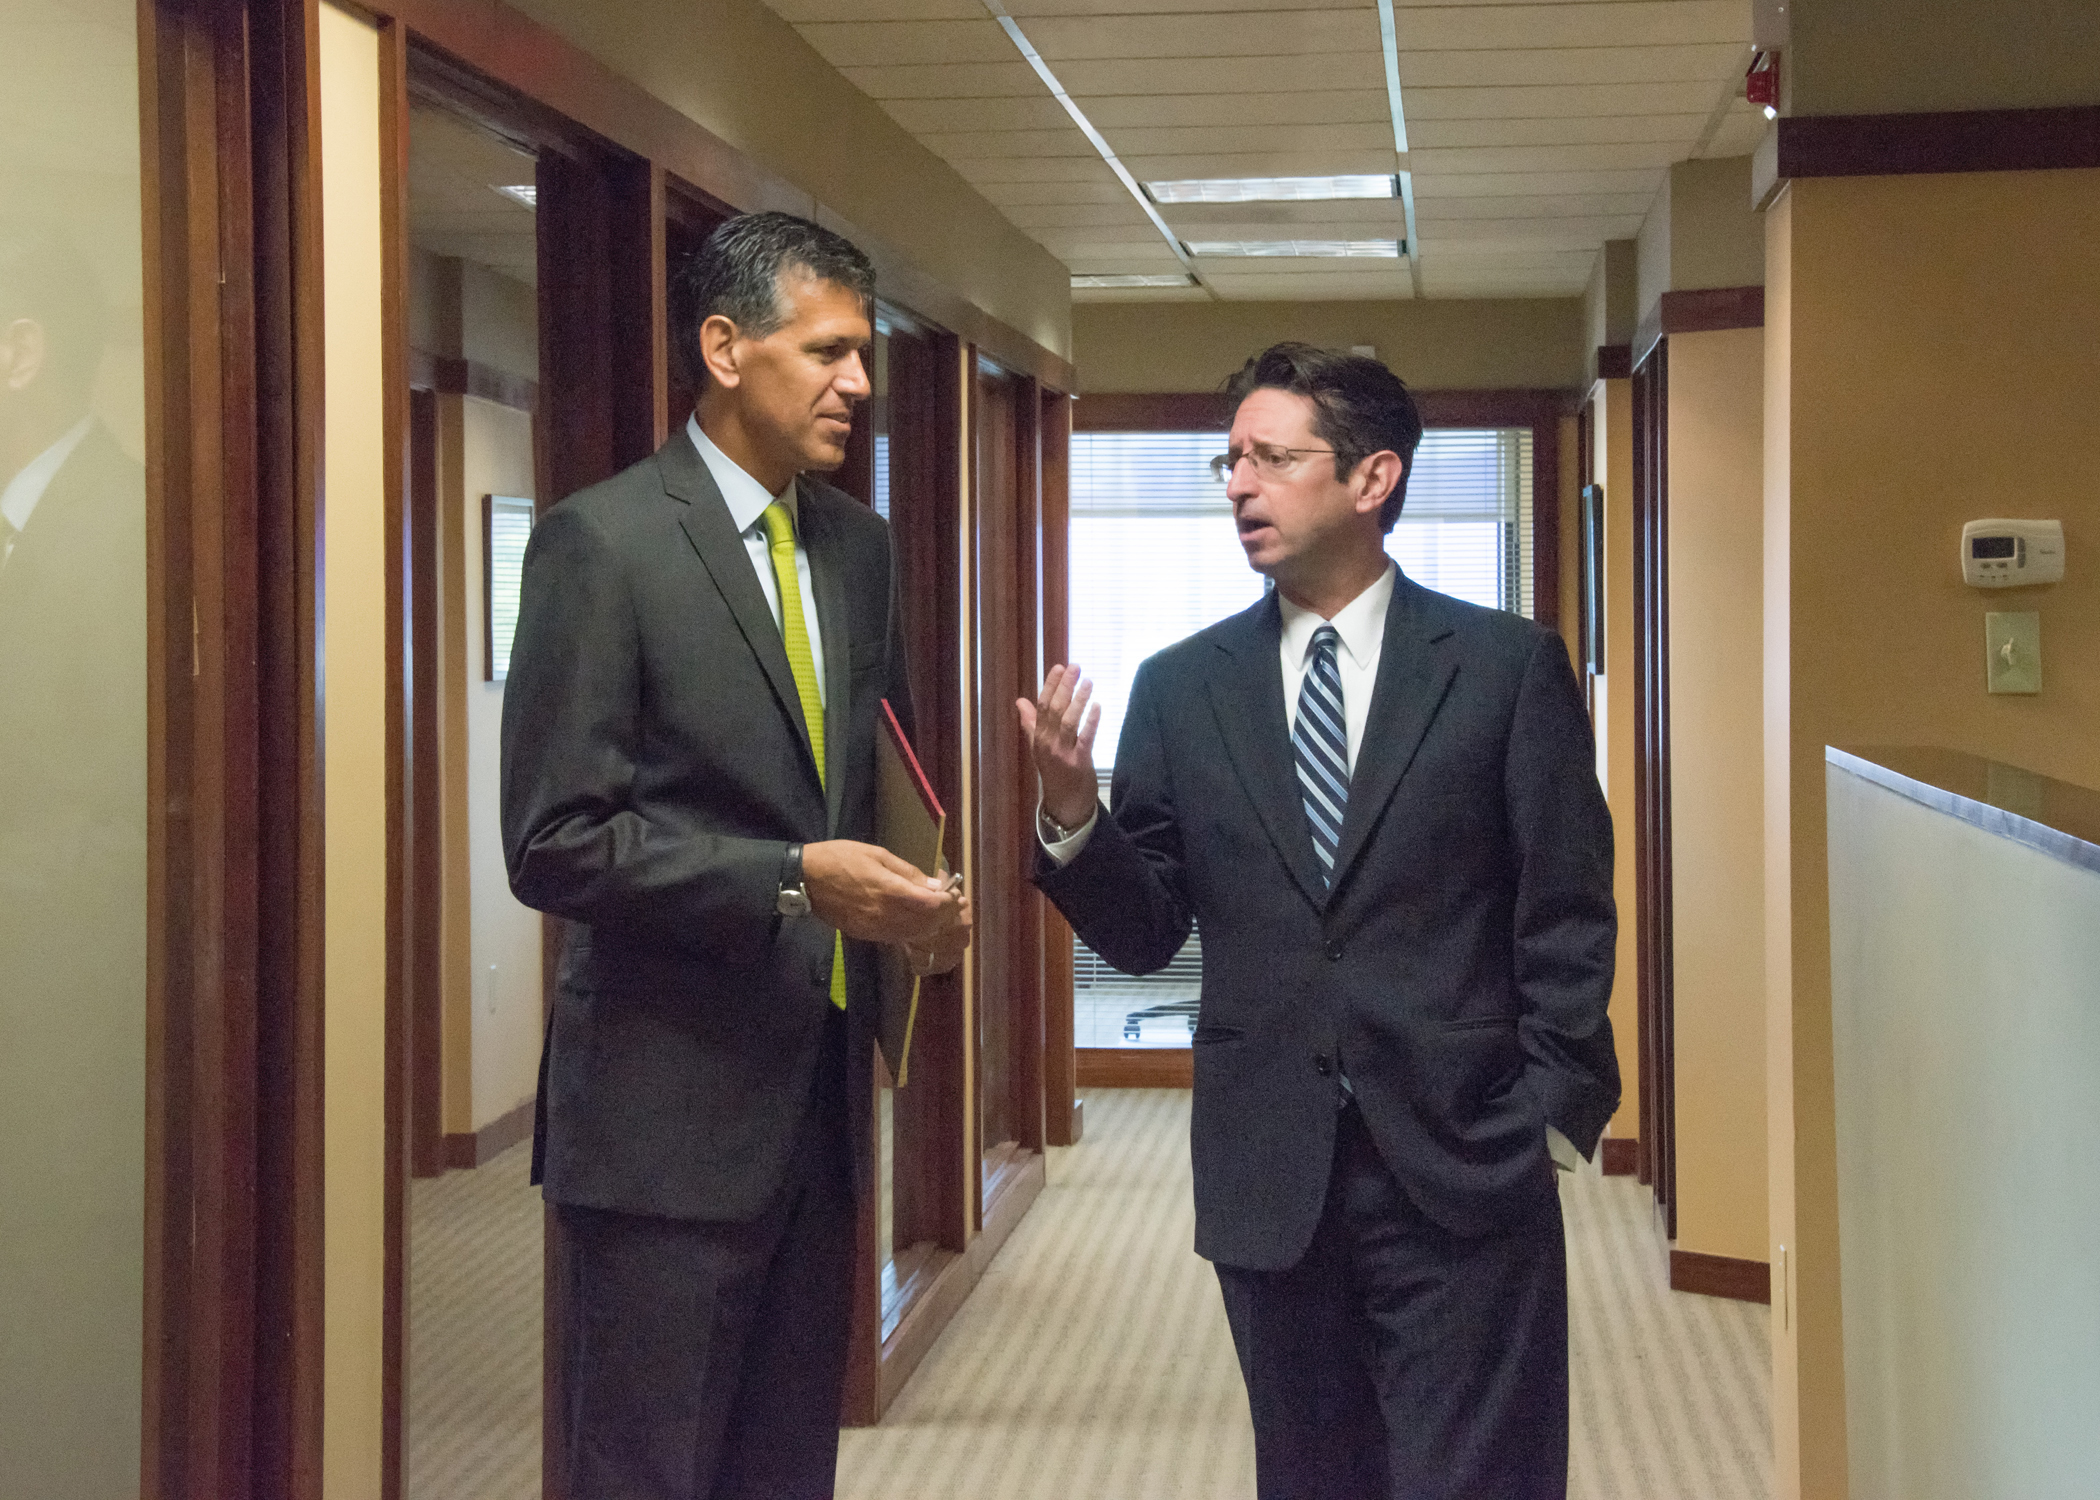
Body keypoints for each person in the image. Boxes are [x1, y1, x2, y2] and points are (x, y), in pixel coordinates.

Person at [1021, 343, 1618, 1499]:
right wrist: (1072, 817)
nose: (1238, 484)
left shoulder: (1502, 670)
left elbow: (1567, 910)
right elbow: (1145, 932)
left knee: (1477, 1476)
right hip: (1270, 1166)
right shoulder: (1181, 688)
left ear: (1372, 478)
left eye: (1273, 458)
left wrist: (1549, 1112)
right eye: (1228, 460)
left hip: (1465, 1153)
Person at [501, 211, 969, 1500]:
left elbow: (871, 779)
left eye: (863, 355)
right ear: (723, 346)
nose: (859, 386)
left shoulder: (858, 549)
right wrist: (791, 878)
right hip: (660, 1127)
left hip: (817, 1109)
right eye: (828, 352)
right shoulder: (604, 544)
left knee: (782, 1471)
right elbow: (553, 844)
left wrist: (914, 907)